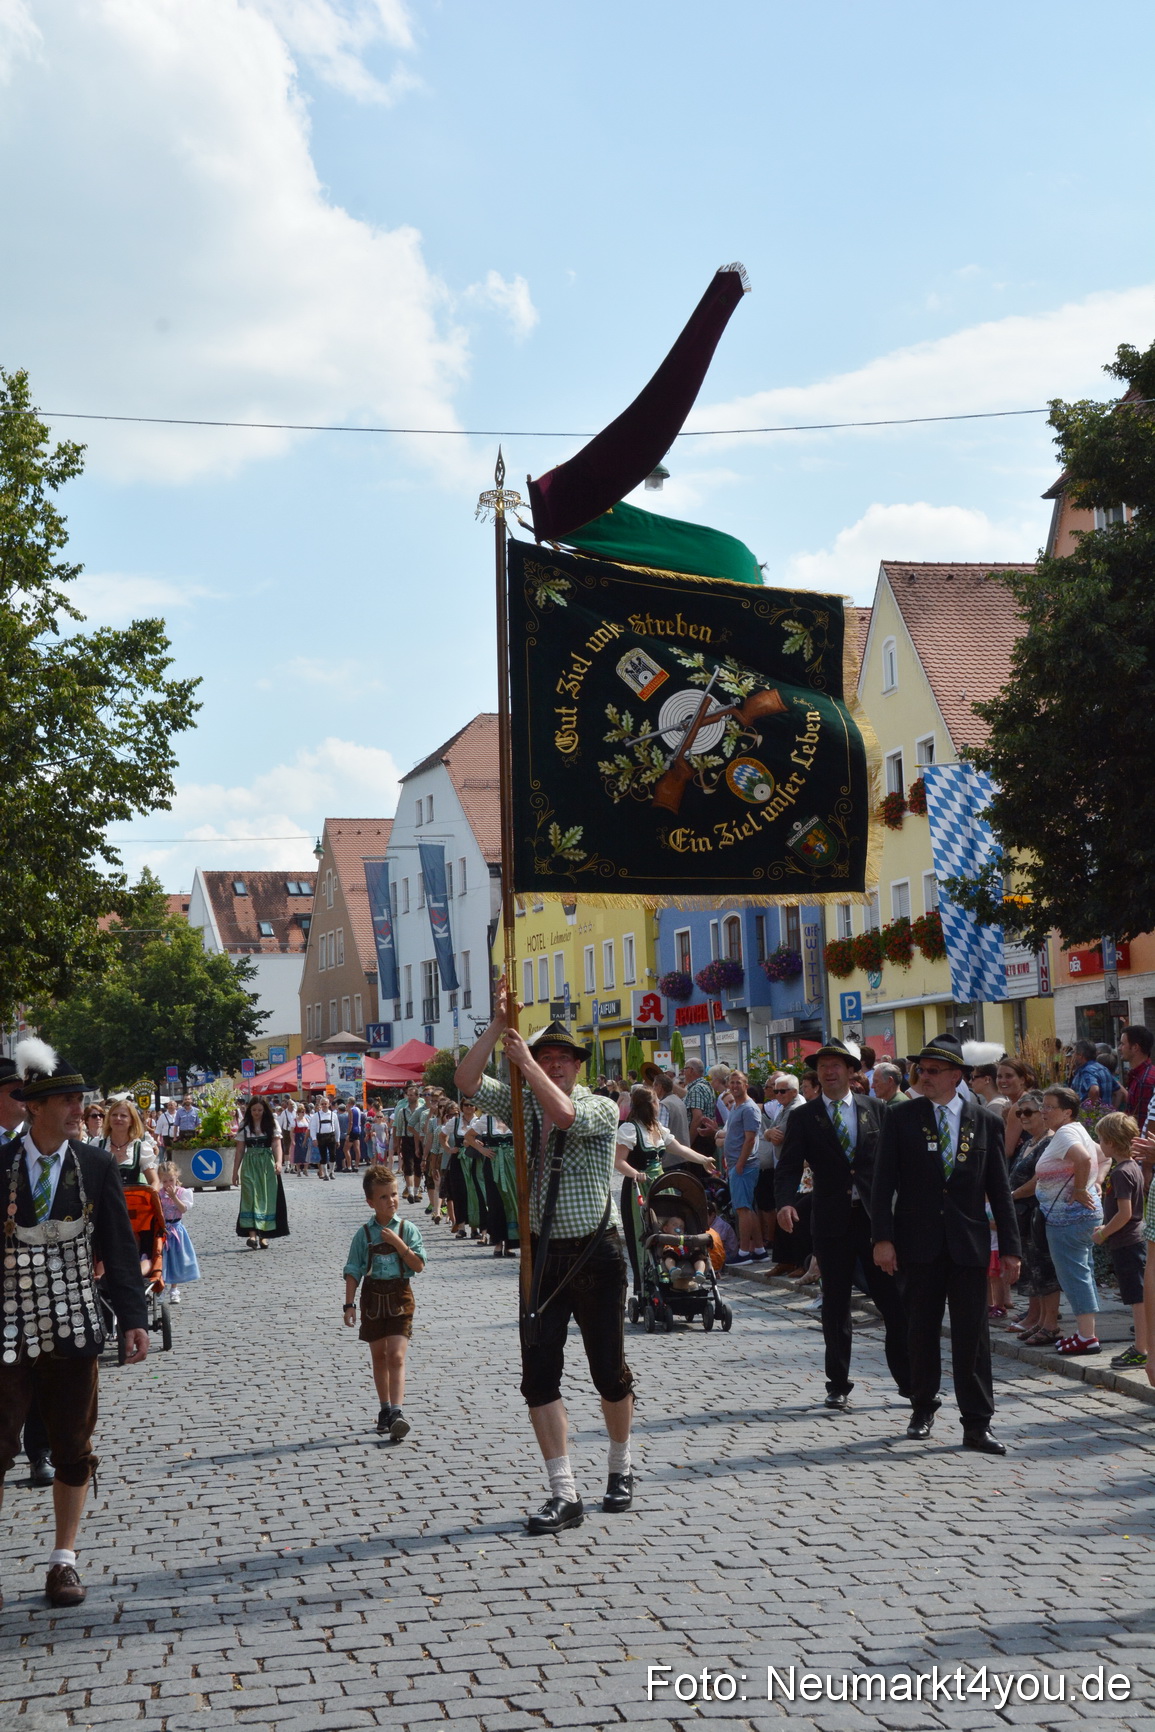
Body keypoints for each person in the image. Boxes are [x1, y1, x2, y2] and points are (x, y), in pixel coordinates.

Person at [455, 995, 636, 1533]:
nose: (555, 1064)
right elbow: (465, 1082)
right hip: (541, 1255)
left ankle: (620, 1468)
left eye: (564, 1058)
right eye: (546, 1056)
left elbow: (563, 1113)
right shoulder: (519, 1101)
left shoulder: (600, 1105)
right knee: (538, 1375)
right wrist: (496, 1029)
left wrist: (526, 1062)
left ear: (579, 1066)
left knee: (609, 1371)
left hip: (597, 1251)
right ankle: (564, 1492)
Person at [0, 1040, 149, 1607]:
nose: (75, 1108)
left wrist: (133, 1317)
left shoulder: (96, 1164)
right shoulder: (1, 1165)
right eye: (63, 1099)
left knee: (72, 1444)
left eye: (77, 1099)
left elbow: (119, 1241)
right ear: (32, 1106)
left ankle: (63, 1561)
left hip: (73, 1325)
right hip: (7, 1325)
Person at [871, 1033, 1020, 1454]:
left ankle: (977, 1422)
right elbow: (882, 1186)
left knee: (972, 1336)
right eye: (921, 1070)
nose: (924, 1077)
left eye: (934, 1071)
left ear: (958, 1075)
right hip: (917, 1243)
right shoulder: (901, 1118)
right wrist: (882, 1239)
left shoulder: (985, 1121)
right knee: (920, 1329)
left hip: (968, 1243)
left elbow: (1000, 1189)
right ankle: (922, 1405)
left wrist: (1011, 1247)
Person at [776, 1038, 909, 1410]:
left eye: (837, 1065)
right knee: (835, 1305)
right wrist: (785, 1202)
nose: (829, 1072)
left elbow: (898, 1164)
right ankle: (838, 1383)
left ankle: (909, 1380)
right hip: (831, 1220)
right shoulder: (804, 1116)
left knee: (894, 1302)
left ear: (853, 1072)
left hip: (875, 1220)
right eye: (823, 1066)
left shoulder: (878, 1109)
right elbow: (788, 1166)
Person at [0, 1055, 54, 1490]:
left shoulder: (41, 1141)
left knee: (39, 1366)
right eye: (15, 1093)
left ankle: (41, 1452)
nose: (24, 1101)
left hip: (41, 1281)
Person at [343, 1165, 425, 1440]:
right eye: (383, 1197)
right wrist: (349, 1304)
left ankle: (398, 1412)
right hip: (372, 1298)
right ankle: (385, 1409)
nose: (391, 1200)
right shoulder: (363, 1234)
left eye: (393, 1194)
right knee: (379, 1357)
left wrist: (400, 1245)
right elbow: (353, 1269)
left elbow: (419, 1265)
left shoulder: (407, 1229)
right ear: (370, 1202)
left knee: (397, 1356)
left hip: (400, 1296)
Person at [615, 1084, 711, 1290]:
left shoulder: (657, 1127)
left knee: (666, 1229)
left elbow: (680, 1149)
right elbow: (619, 1161)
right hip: (638, 1187)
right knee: (644, 1232)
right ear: (649, 1105)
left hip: (660, 1185)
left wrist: (703, 1160)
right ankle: (646, 1283)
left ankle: (672, 1276)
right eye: (657, 1102)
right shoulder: (630, 1129)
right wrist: (635, 1173)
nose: (659, 1105)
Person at [1034, 1085, 1104, 1356]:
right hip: (1081, 1217)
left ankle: (1087, 1337)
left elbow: (1086, 1158)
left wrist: (1079, 1189)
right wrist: (1095, 1181)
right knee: (1082, 1272)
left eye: (1049, 1106)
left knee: (1074, 1275)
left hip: (1069, 1219)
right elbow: (1103, 1156)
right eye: (1043, 1105)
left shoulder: (1065, 1132)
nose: (1043, 1111)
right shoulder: (1075, 1130)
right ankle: (1087, 1332)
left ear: (1067, 1112)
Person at [1004, 1092, 1060, 1345]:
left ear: (1043, 1114)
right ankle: (1035, 1317)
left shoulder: (1049, 1142)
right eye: (1019, 1113)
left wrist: (1012, 1194)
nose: (1023, 1117)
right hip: (1022, 1214)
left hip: (1036, 1211)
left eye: (1029, 1112)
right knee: (1030, 1266)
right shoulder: (1029, 1142)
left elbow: (1040, 1179)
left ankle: (1047, 1322)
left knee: (1042, 1267)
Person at [1092, 1113, 1147, 1369]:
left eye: (1101, 1139)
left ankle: (1141, 1348)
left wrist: (1104, 1233)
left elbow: (1125, 1213)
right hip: (1131, 1240)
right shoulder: (1131, 1167)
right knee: (1138, 1297)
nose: (1099, 1142)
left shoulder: (1121, 1173)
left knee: (1138, 1299)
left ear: (1111, 1142)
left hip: (1128, 1242)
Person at [759, 1074, 807, 1274]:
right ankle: (785, 1259)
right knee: (783, 1209)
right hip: (785, 1165)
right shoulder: (783, 1107)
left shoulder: (796, 1108)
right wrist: (769, 1134)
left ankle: (799, 1261)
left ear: (794, 1092)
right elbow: (770, 1132)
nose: (777, 1095)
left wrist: (770, 1134)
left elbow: (780, 1135)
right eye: (775, 1090)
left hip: (798, 1168)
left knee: (794, 1212)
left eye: (782, 1091)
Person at [718, 1070, 765, 1263]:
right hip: (736, 1163)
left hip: (744, 1165)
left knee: (742, 1209)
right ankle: (760, 1249)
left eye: (739, 1083)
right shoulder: (736, 1107)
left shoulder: (748, 1108)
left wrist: (740, 1163)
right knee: (746, 1208)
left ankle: (744, 1251)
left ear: (746, 1085)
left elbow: (750, 1138)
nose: (735, 1086)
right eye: (732, 1083)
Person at [233, 1098, 288, 1250]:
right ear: (250, 1111)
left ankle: (264, 1236)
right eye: (254, 1110)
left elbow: (277, 1144)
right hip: (250, 1164)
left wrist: (278, 1162)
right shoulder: (245, 1126)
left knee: (266, 1198)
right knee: (249, 1196)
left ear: (264, 1111)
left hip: (266, 1164)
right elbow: (239, 1150)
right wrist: (235, 1172)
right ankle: (252, 1235)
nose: (257, 1113)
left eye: (259, 1110)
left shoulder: (272, 1124)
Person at [157, 1161, 200, 1304]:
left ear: (176, 1178)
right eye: (164, 1181)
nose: (168, 1183)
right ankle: (160, 1288)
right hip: (163, 1229)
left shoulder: (183, 1192)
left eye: (171, 1180)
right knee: (161, 1259)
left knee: (176, 1259)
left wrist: (174, 1197)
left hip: (176, 1228)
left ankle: (174, 1289)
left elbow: (183, 1209)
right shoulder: (158, 1194)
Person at [100, 1097, 159, 1190]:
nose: (118, 1118)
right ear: (109, 1118)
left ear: (132, 1120)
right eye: (114, 1115)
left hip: (130, 1202)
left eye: (123, 1115)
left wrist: (150, 1198)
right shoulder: (97, 1145)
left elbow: (154, 1181)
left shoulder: (140, 1148)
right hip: (102, 1203)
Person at [392, 1085, 426, 1203]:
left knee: (418, 1167)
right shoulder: (403, 1111)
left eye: (412, 1095)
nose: (409, 1097)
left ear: (417, 1096)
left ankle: (416, 1191)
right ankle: (410, 1192)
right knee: (408, 1166)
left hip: (420, 1140)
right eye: (408, 1095)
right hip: (407, 1139)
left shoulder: (422, 1110)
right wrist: (398, 1143)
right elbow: (400, 1128)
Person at [1120, 1026, 1155, 1123]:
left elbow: (1139, 1123)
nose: (1119, 1048)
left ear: (1135, 1047)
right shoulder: (1138, 1076)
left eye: (1122, 1044)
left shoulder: (1145, 1080)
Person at [1069, 1042, 1116, 1113]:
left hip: (1090, 1120)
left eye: (1074, 1052)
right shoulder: (1103, 1068)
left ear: (1080, 1055)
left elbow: (1094, 1090)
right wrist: (1112, 1111)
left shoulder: (1086, 1071)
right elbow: (1119, 1092)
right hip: (1105, 1117)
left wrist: (1093, 1113)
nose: (1072, 1055)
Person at [653, 1072, 690, 1147]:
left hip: (671, 1155)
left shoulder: (664, 1104)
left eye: (654, 1086)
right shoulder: (679, 1100)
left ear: (660, 1087)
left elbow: (661, 1133)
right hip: (684, 1151)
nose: (653, 1089)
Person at [309, 1095, 340, 1181]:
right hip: (321, 1137)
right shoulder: (316, 1115)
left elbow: (337, 1128)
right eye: (322, 1104)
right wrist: (314, 1138)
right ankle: (325, 1174)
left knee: (333, 1155)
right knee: (323, 1156)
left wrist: (337, 1139)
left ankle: (332, 1172)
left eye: (325, 1104)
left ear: (329, 1104)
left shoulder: (333, 1115)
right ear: (320, 1104)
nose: (324, 1105)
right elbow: (313, 1128)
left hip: (331, 1136)